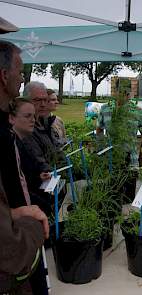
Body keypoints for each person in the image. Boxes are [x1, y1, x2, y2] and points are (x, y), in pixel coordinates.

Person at [0, 20, 48, 295]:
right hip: (14, 263)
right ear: (4, 75)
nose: (22, 77)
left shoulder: (5, 131)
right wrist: (27, 222)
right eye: (20, 71)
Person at [9, 98, 52, 216]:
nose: (33, 120)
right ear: (11, 118)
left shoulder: (19, 143)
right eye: (28, 116)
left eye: (33, 116)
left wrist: (38, 177)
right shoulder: (10, 146)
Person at [96, 91, 142, 168]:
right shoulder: (105, 109)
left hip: (131, 161)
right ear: (115, 93)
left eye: (126, 93)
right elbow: (99, 130)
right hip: (110, 160)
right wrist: (101, 150)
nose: (123, 96)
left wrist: (141, 159)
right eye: (120, 92)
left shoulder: (138, 111)